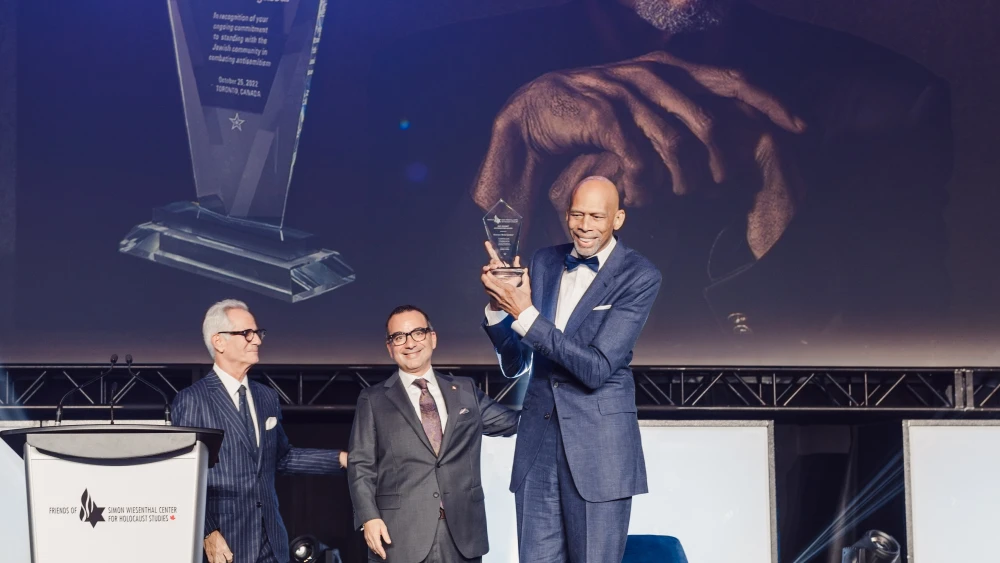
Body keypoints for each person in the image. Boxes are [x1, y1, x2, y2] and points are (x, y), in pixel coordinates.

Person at [364, 0, 952, 348]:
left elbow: (873, 352)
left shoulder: (888, 103)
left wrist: (775, 186)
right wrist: (518, 145)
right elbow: (434, 337)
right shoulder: (420, 77)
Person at [480, 176, 662, 562]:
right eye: (577, 213)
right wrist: (499, 306)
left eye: (597, 215)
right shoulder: (545, 261)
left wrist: (524, 313)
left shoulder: (639, 276)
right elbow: (517, 364)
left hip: (599, 451)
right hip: (537, 447)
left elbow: (596, 368)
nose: (584, 225)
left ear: (618, 219)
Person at [171, 299, 348, 563]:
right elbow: (183, 474)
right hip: (225, 542)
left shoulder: (266, 397)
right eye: (247, 334)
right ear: (219, 342)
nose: (257, 341)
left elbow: (282, 457)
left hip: (271, 541)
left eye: (257, 333)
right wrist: (208, 532)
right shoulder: (193, 400)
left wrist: (342, 459)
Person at [347, 305, 520, 562]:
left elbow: (516, 423)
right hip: (399, 536)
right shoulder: (373, 399)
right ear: (390, 347)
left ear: (432, 338)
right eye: (399, 337)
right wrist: (368, 517)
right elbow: (360, 464)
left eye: (418, 332)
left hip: (462, 535)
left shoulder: (464, 391)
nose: (410, 343)